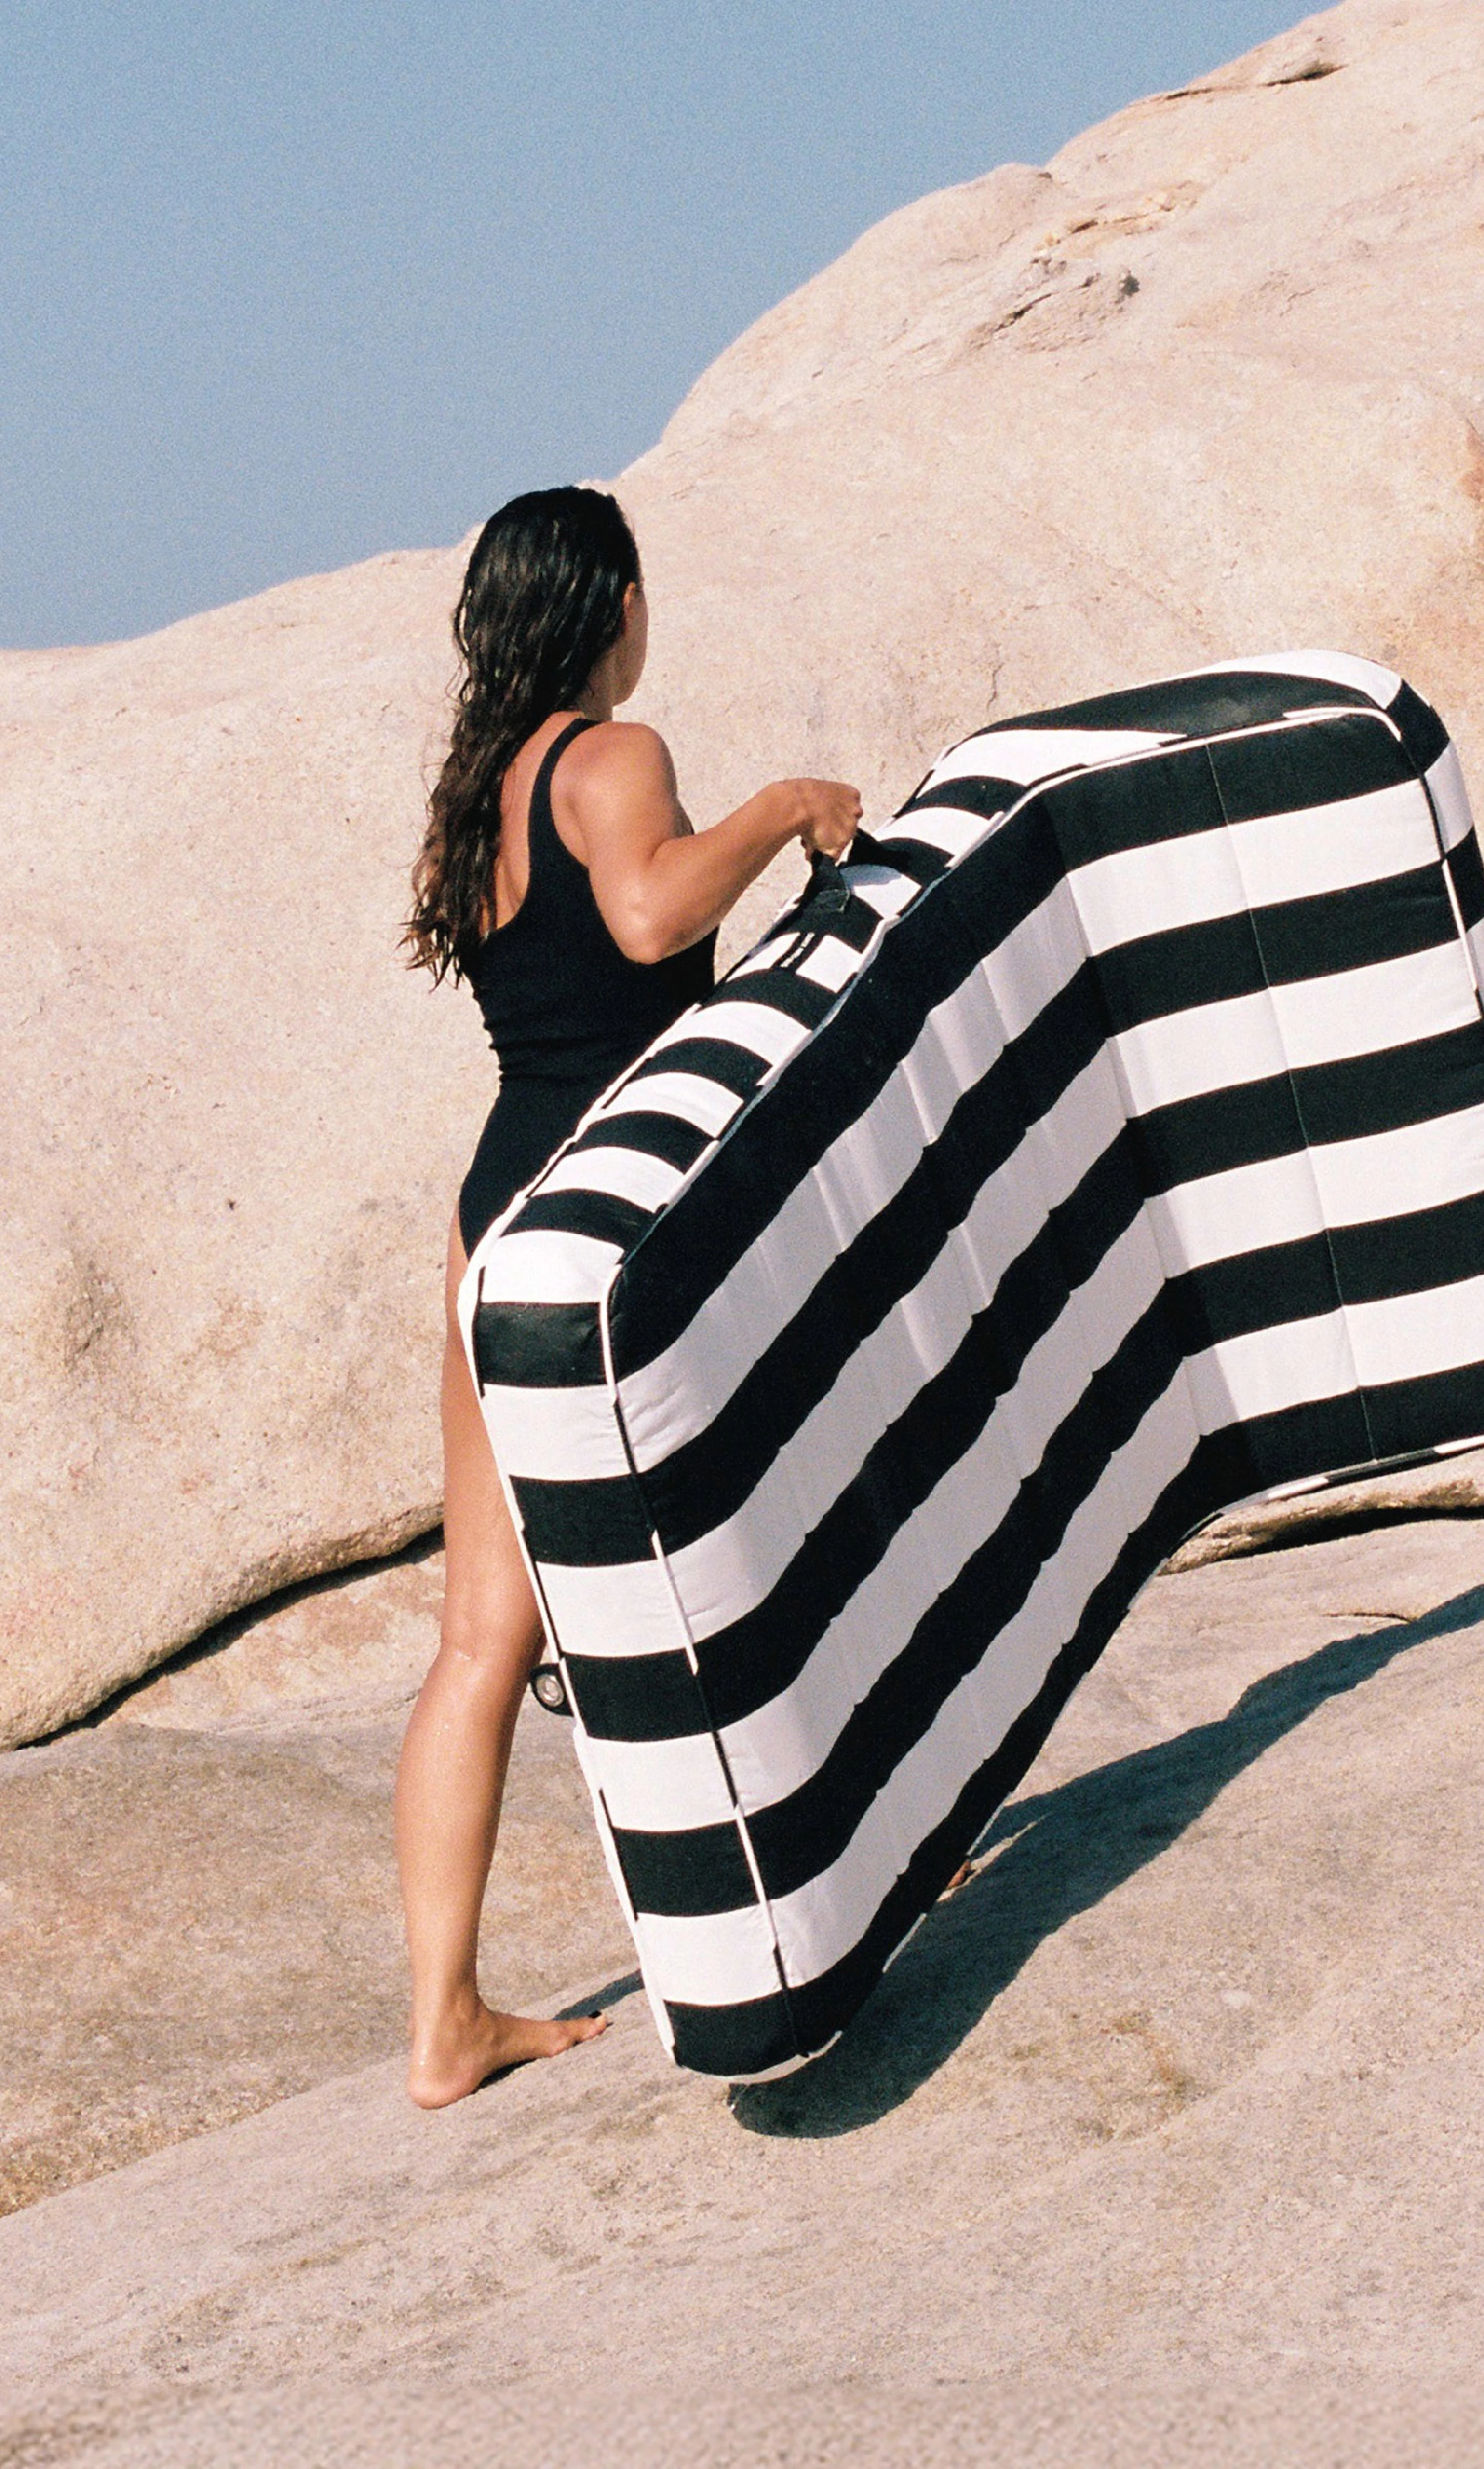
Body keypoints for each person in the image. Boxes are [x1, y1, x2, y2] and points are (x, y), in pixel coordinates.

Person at [397, 486, 861, 2108]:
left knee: (482, 1636)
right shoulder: (615, 756)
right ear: (618, 606)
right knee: (765, 1530)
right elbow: (659, 912)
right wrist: (788, 803)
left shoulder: (480, 795)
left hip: (494, 1222)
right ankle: (850, 1869)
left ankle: (443, 2024)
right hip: (623, 1224)